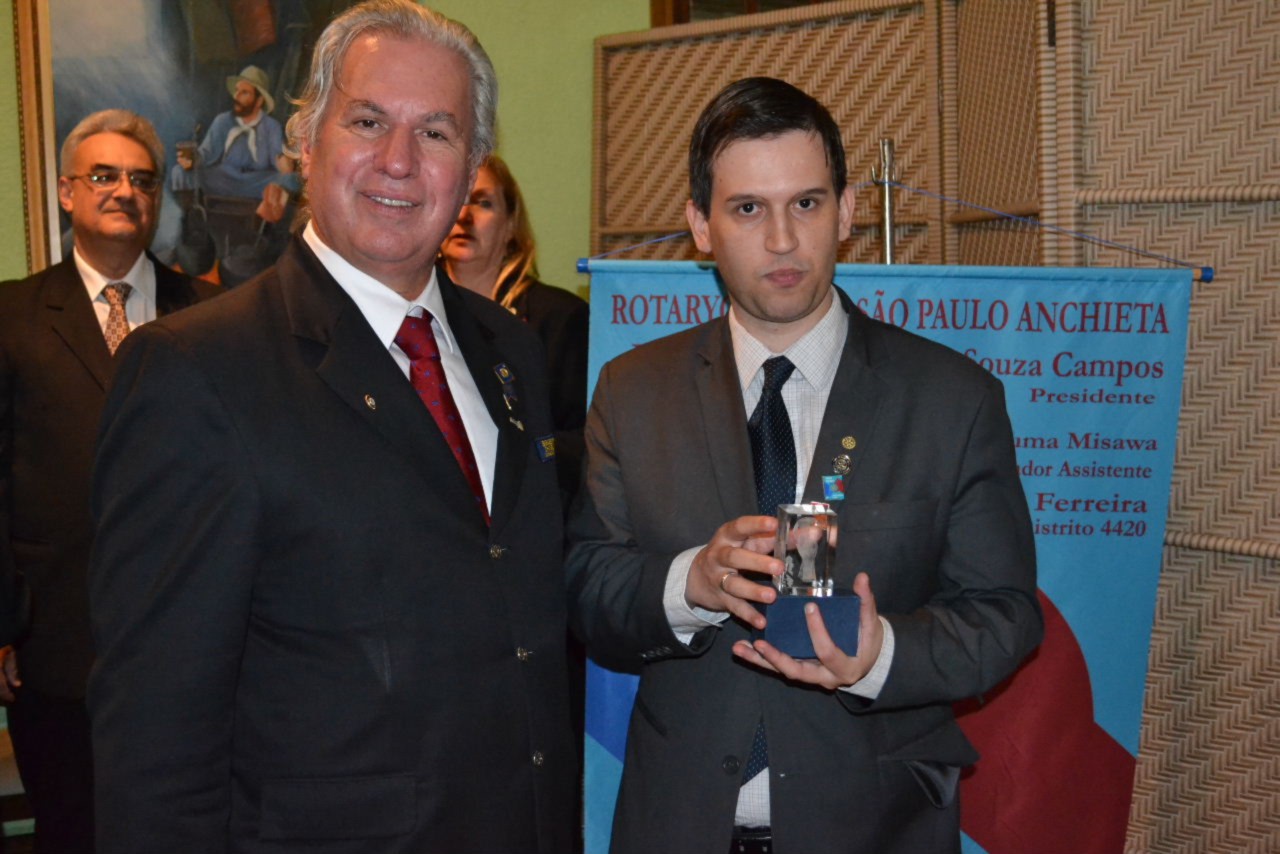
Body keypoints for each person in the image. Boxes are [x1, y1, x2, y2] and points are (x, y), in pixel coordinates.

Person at [87, 3, 575, 852]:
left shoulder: (514, 352)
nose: (399, 161)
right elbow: (155, 735)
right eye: (368, 121)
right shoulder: (196, 371)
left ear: (470, 170)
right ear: (306, 143)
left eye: (436, 133)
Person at [566, 77, 1043, 854]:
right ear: (701, 226)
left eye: (807, 204)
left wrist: (880, 654)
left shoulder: (952, 399)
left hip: (878, 826)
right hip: (677, 824)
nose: (783, 240)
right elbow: (589, 590)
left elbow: (1004, 616)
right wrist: (689, 583)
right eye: (748, 209)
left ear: (847, 211)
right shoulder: (632, 392)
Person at [0, 108, 216, 854]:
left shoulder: (212, 315)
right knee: (72, 832)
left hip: (195, 640)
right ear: (67, 192)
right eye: (103, 175)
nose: (125, 191)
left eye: (141, 179)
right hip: (55, 645)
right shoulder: (12, 315)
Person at [440, 153, 589, 510]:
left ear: (510, 227)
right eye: (456, 199)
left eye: (483, 203)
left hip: (531, 505)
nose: (464, 216)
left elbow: (582, 442)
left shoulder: (560, 317)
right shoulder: (410, 316)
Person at [174, 65, 290, 200]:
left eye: (244, 92)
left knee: (290, 180)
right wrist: (192, 159)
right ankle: (189, 212)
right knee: (179, 172)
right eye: (237, 91)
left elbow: (278, 157)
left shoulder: (271, 126)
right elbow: (206, 153)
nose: (236, 96)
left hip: (256, 183)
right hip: (223, 180)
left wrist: (285, 164)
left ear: (259, 101)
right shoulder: (223, 121)